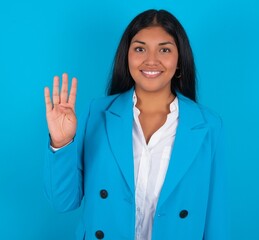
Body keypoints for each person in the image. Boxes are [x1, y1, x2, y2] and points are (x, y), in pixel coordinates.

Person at [44, 9, 228, 240]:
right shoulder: (97, 113)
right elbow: (63, 202)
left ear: (179, 59)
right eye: (140, 48)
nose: (151, 60)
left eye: (165, 49)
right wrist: (61, 143)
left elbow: (215, 219)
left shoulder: (209, 126)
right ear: (127, 56)